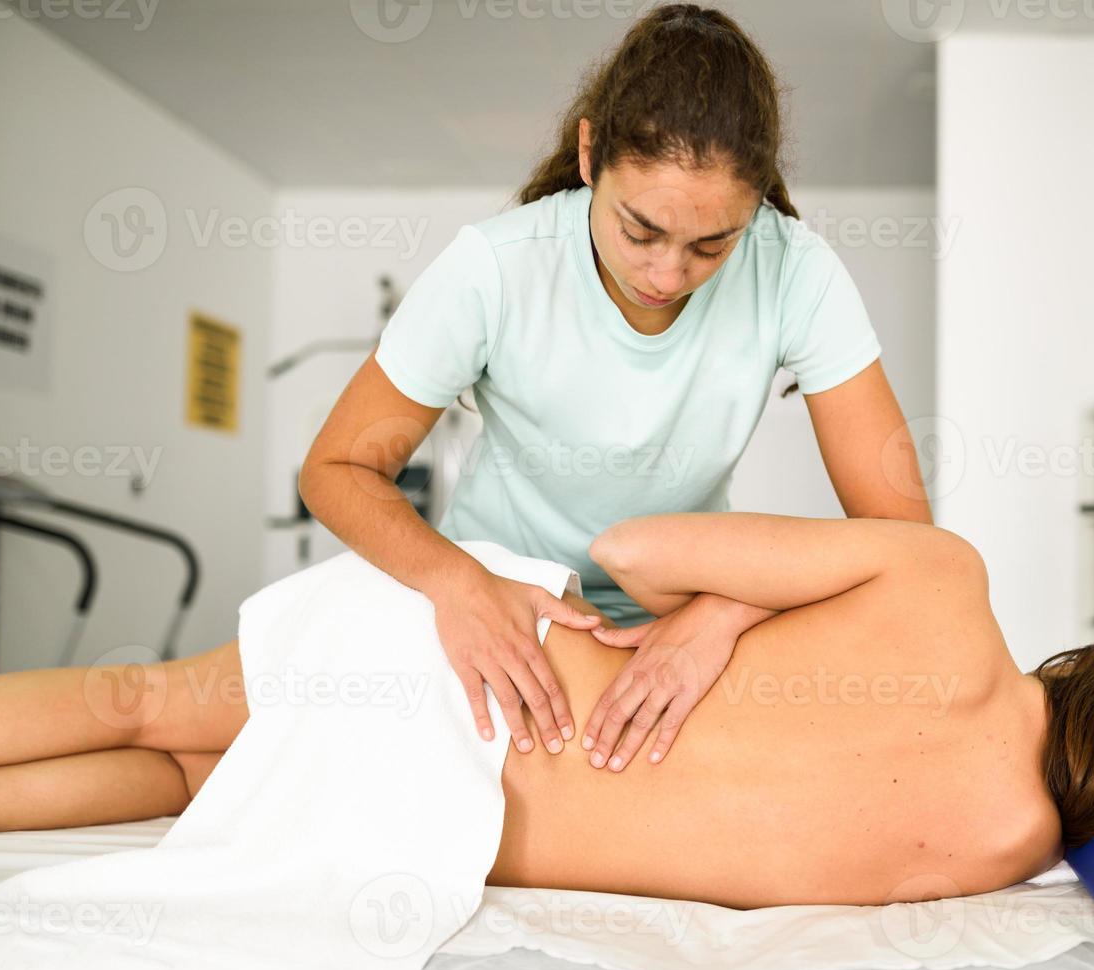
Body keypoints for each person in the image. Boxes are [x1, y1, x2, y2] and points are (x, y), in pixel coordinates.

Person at [0, 515, 1094, 909]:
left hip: (477, 664)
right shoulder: (1002, 859)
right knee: (177, 782)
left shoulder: (941, 580)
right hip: (432, 824)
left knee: (144, 698)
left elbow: (637, 547)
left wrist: (730, 610)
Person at [298, 3, 932, 773]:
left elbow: (902, 539)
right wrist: (458, 586)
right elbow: (335, 470)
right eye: (639, 231)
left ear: (757, 201)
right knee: (247, 742)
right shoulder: (494, 268)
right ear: (590, 154)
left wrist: (725, 611)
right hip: (498, 599)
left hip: (679, 619)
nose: (668, 276)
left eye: (712, 244)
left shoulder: (796, 270)